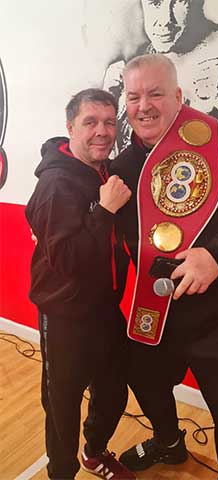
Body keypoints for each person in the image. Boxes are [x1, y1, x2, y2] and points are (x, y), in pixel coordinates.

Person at [111, 54, 218, 479]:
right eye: (134, 96)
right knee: (142, 378)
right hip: (155, 314)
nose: (144, 105)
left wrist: (217, 254)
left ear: (178, 96)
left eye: (156, 93)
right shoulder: (122, 169)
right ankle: (169, 443)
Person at [25, 89, 134, 479]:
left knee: (113, 389)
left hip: (104, 307)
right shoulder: (56, 185)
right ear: (71, 127)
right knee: (62, 403)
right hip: (66, 311)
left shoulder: (102, 170)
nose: (102, 131)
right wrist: (104, 211)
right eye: (91, 122)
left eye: (109, 122)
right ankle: (62, 473)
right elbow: (69, 260)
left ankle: (94, 451)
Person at [103, 0, 218, 155]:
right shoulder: (141, 60)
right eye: (155, 2)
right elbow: (128, 154)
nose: (165, 20)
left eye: (179, 1)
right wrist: (112, 109)